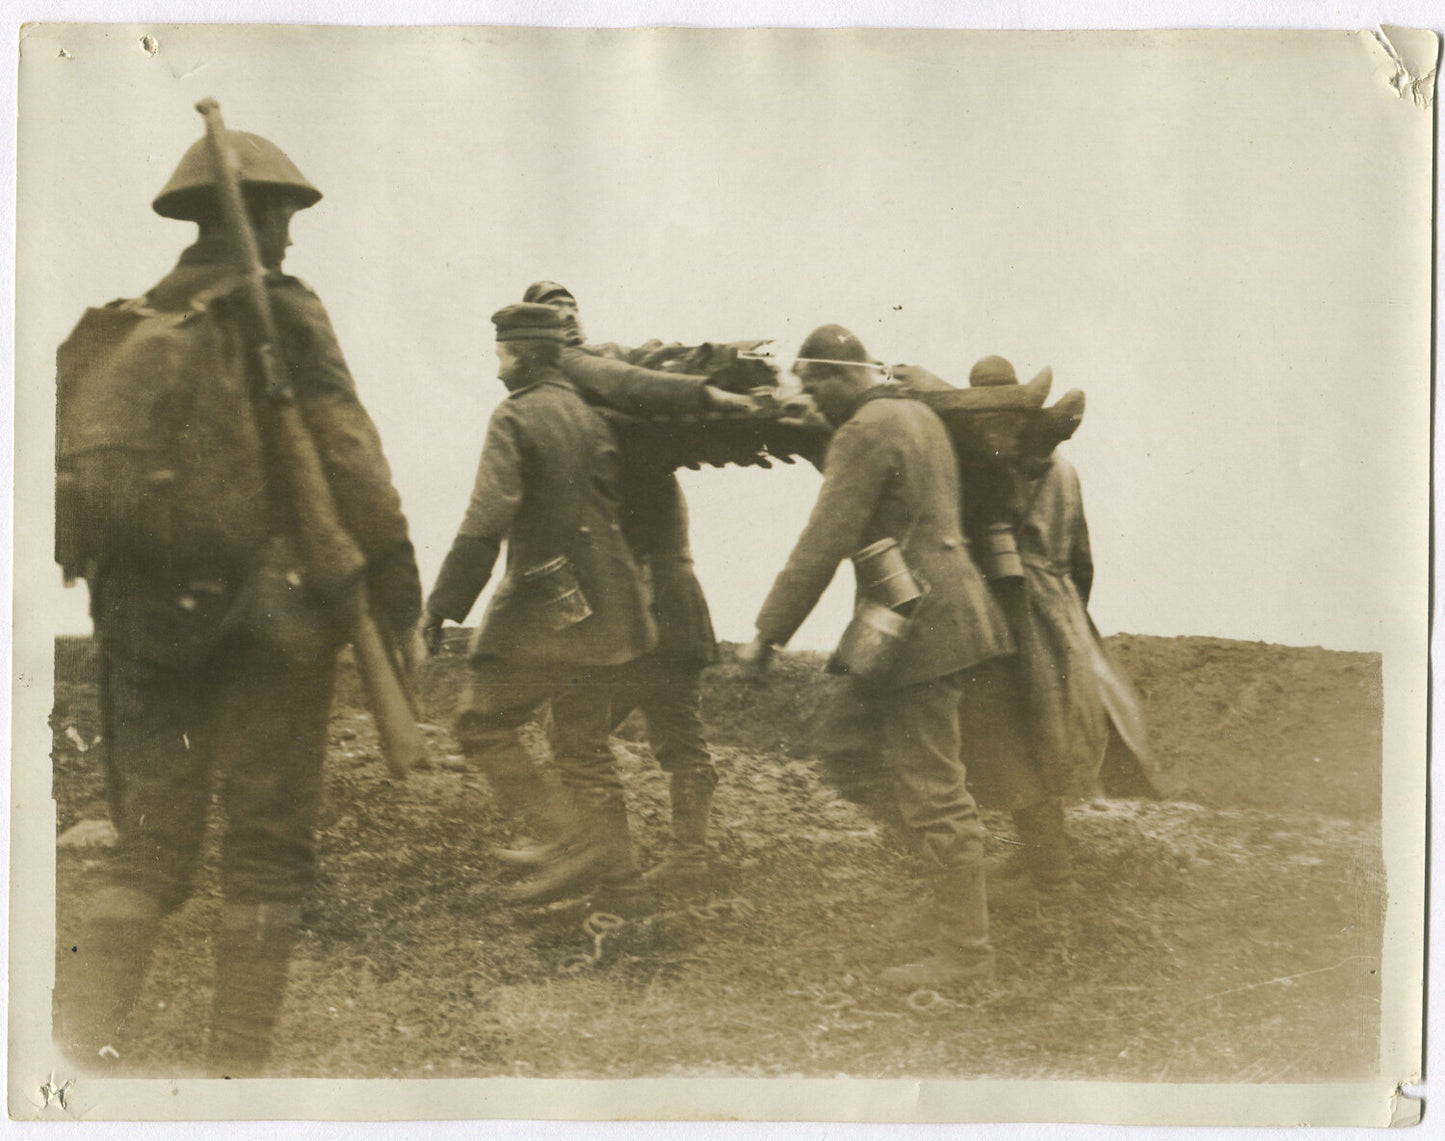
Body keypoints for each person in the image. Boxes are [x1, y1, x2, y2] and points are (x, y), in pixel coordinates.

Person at [55, 129, 422, 1075]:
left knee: (145, 853)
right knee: (264, 851)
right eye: (284, 214)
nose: (290, 233)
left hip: (141, 620)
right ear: (259, 214)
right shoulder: (281, 308)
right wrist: (398, 591)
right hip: (273, 623)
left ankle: (72, 1061)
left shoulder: (124, 323)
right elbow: (351, 455)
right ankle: (234, 1081)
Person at [737, 325, 1014, 988]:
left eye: (812, 388)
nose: (809, 401)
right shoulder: (918, 416)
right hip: (923, 618)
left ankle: (965, 953)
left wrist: (767, 634)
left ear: (839, 376)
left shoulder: (863, 430)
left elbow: (822, 542)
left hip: (918, 629)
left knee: (933, 790)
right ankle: (951, 884)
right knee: (846, 747)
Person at [421, 303, 658, 905]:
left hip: (552, 614)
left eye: (502, 354)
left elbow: (486, 521)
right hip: (615, 612)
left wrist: (441, 607)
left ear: (523, 356)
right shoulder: (592, 416)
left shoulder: (516, 415)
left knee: (480, 724)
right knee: (582, 743)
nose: (497, 366)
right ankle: (623, 886)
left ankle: (572, 843)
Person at [518, 281, 751, 892]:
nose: (567, 322)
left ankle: (619, 857)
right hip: (661, 608)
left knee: (589, 732)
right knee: (657, 733)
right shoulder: (614, 428)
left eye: (570, 311)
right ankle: (656, 853)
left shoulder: (600, 426)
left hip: (637, 610)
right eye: (555, 315)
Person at [957, 355, 1155, 900]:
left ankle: (1051, 876)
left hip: (1019, 603)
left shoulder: (1005, 462)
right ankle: (1044, 859)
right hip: (1062, 604)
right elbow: (1082, 558)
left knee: (1016, 737)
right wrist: (1070, 616)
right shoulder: (1064, 468)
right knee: (1044, 736)